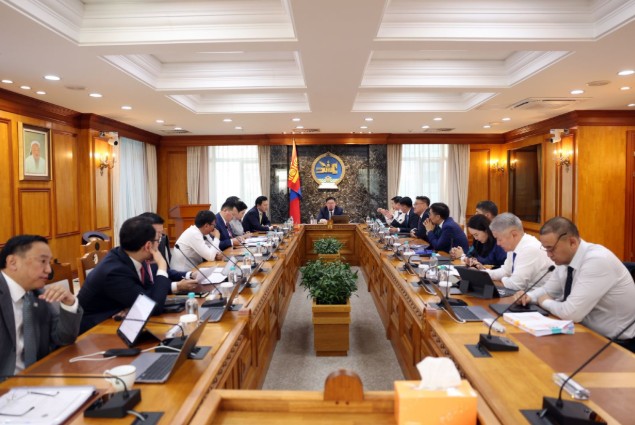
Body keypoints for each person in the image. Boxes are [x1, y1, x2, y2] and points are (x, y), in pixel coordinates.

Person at [519, 217, 635, 351]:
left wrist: (544, 302)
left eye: (551, 249)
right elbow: (548, 291)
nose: (549, 255)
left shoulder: (597, 261)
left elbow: (571, 313)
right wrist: (528, 297)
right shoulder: (566, 260)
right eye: (546, 249)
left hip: (615, 344)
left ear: (572, 242)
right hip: (583, 332)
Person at [0, 235, 82, 375]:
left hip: (38, 377)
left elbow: (63, 338)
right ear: (13, 262)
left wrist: (69, 303)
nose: (49, 270)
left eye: (49, 262)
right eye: (43, 261)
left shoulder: (38, 294)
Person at [77, 217, 172, 333]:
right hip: (93, 332)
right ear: (148, 246)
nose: (158, 244)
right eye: (157, 240)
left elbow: (146, 293)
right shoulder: (115, 272)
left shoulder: (123, 256)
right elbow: (153, 308)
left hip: (114, 322)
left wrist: (132, 307)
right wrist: (162, 266)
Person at [485, 213, 553, 291]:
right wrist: (483, 274)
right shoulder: (513, 246)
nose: (498, 243)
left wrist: (496, 280)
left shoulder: (529, 249)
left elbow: (516, 285)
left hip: (538, 296)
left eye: (499, 239)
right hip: (523, 294)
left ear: (514, 235)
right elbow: (506, 271)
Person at [138, 212, 199, 293]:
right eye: (157, 234)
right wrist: (177, 286)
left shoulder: (152, 252)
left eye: (161, 234)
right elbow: (147, 291)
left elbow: (167, 273)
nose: (159, 240)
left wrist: (190, 275)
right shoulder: (135, 261)